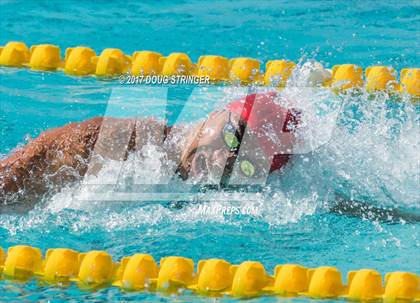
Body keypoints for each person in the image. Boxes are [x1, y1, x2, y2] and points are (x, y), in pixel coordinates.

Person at [0, 92, 300, 208]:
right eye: (234, 137)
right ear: (218, 113)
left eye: (242, 166)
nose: (222, 162)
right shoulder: (115, 142)